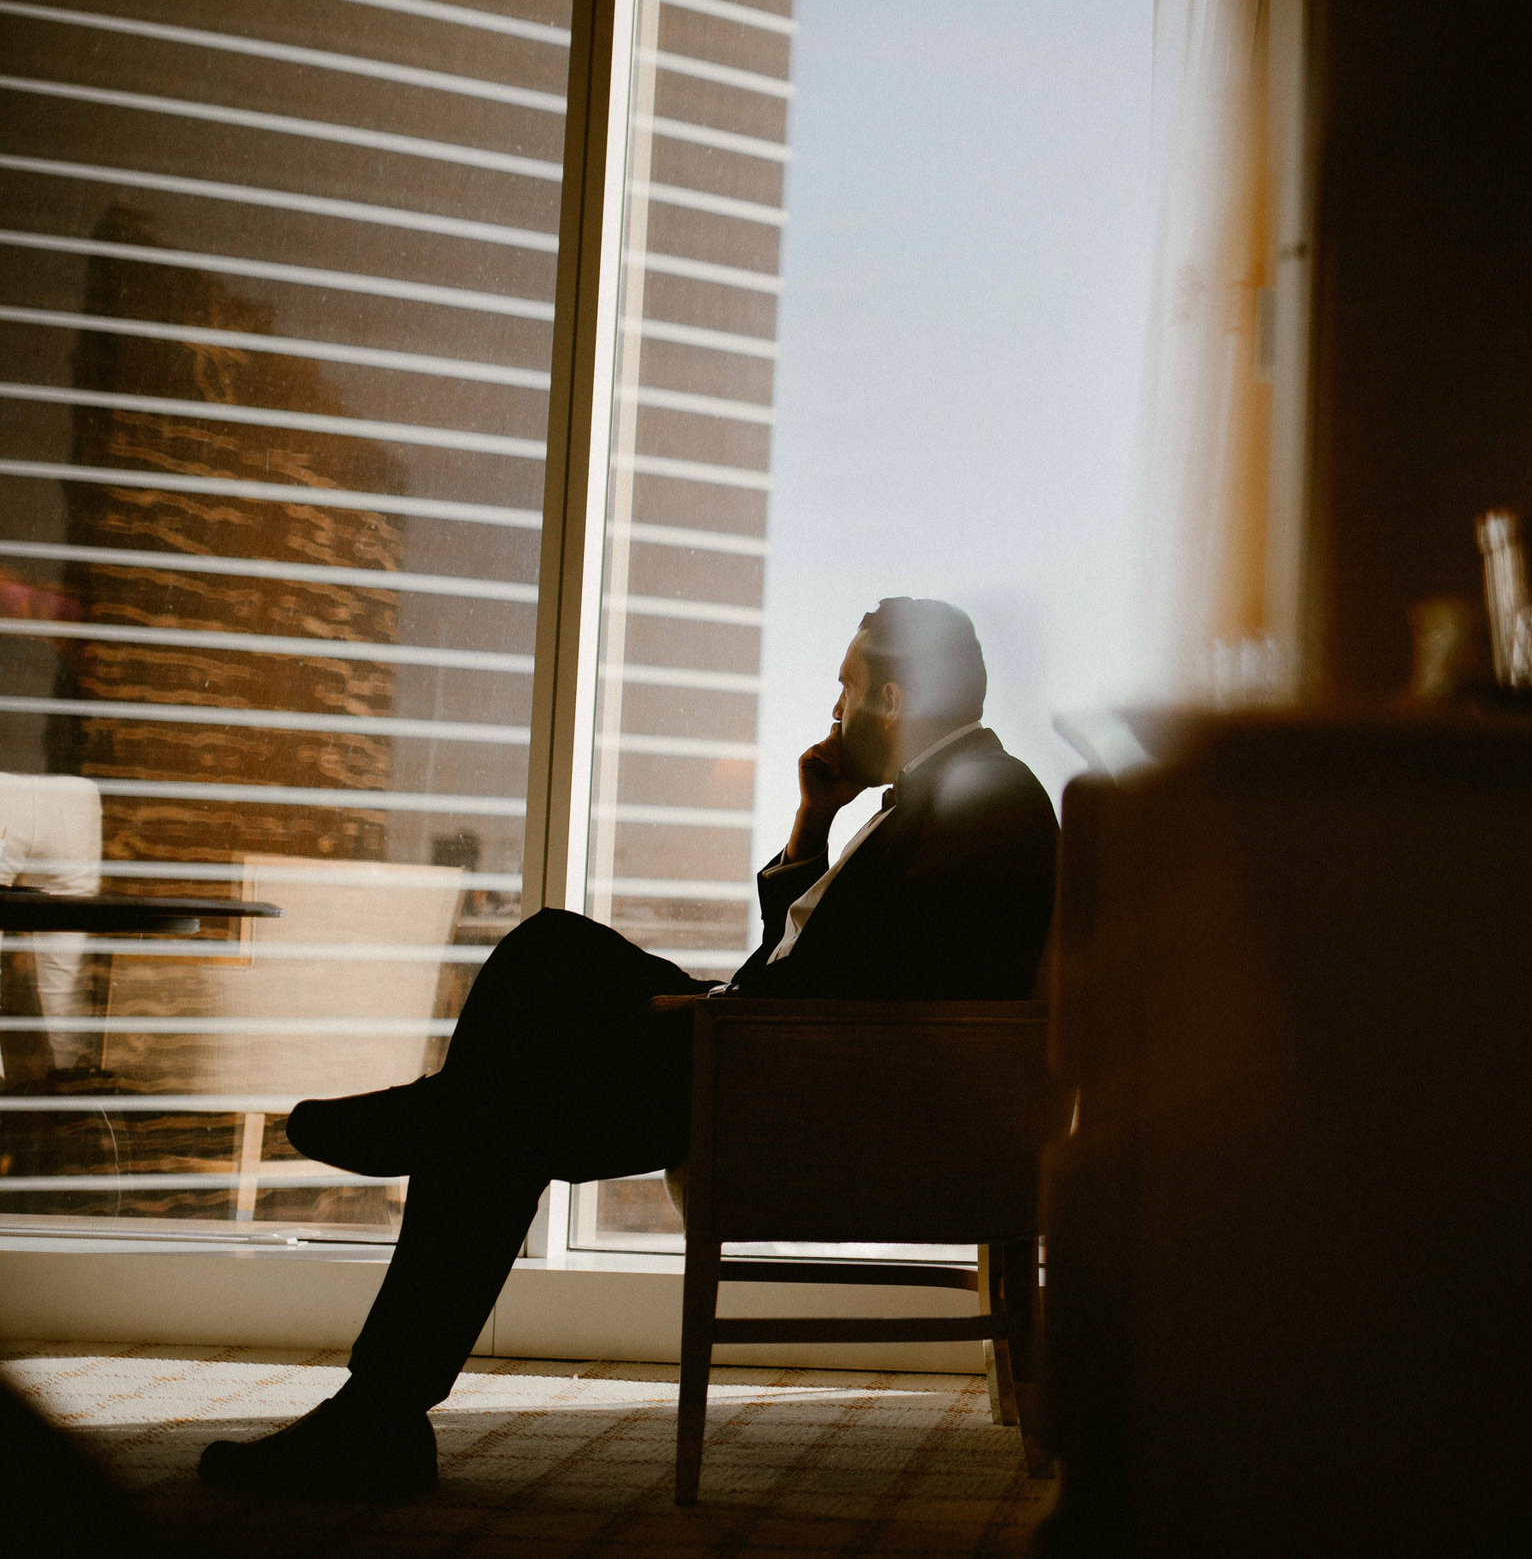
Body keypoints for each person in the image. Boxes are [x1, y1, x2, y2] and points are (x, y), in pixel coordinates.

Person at [198, 597, 1057, 1500]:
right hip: (777, 1058)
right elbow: (824, 967)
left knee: (504, 1090)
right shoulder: (963, 794)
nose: (833, 715)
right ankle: (398, 1327)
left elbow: (864, 1004)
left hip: (793, 1094)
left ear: (889, 692)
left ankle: (387, 1368)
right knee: (550, 954)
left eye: (845, 690)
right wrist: (812, 827)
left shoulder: (979, 803)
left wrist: (698, 1016)